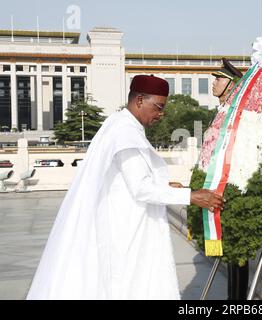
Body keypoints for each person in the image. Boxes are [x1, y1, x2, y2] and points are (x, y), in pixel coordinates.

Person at [27, 75, 224, 300]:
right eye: (158, 107)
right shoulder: (125, 133)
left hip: (123, 219)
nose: (161, 114)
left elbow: (128, 177)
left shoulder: (119, 123)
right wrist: (191, 196)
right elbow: (141, 188)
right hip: (125, 228)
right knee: (131, 285)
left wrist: (163, 184)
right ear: (140, 100)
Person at [211, 58, 249, 300]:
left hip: (235, 192)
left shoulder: (238, 116)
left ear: (232, 84)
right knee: (230, 255)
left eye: (219, 78)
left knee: (239, 255)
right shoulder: (222, 112)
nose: (214, 82)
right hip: (220, 191)